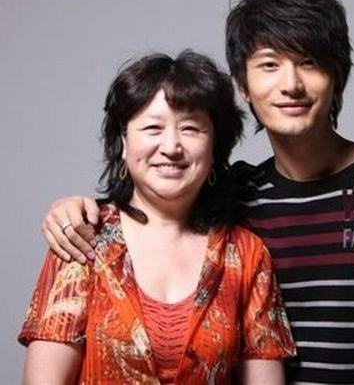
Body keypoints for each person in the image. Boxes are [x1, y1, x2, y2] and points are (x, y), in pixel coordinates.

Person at [40, 0, 354, 383]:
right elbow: (154, 205)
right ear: (243, 86)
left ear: (338, 76)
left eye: (309, 63)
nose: (291, 84)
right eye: (269, 64)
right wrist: (76, 212)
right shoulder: (234, 197)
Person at [20, 50, 296, 384]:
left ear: (215, 149)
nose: (171, 146)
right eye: (152, 128)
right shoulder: (82, 241)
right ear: (124, 142)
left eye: (191, 128)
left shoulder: (246, 254)